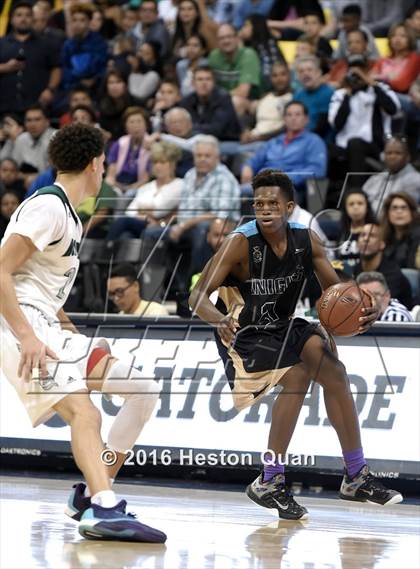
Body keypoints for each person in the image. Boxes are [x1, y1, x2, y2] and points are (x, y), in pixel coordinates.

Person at [189, 168, 401, 520]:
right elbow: (197, 296)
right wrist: (219, 319)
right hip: (242, 330)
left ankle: (356, 476)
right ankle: (270, 479)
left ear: (289, 206)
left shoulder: (307, 239)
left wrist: (362, 308)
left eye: (272, 202)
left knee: (334, 372)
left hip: (284, 325)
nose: (265, 209)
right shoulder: (240, 242)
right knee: (297, 377)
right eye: (258, 203)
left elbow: (336, 293)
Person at [0, 124, 166, 542]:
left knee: (142, 388)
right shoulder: (48, 208)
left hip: (45, 324)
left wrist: (65, 326)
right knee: (85, 413)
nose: (104, 170)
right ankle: (105, 509)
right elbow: (0, 269)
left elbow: (37, 279)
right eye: (105, 164)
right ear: (95, 165)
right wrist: (30, 335)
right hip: (18, 325)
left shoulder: (67, 213)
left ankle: (92, 494)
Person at [328, 55, 400, 189]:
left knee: (355, 144)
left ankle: (356, 192)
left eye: (361, 70)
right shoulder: (340, 94)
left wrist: (371, 82)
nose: (358, 75)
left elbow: (393, 109)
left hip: (374, 145)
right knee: (322, 148)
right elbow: (336, 124)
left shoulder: (380, 88)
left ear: (368, 71)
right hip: (344, 146)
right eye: (354, 72)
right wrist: (348, 94)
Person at [241, 101, 327, 205]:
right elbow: (255, 160)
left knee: (245, 193)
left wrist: (283, 177)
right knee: (234, 192)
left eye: (297, 114)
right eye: (289, 115)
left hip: (289, 188)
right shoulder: (274, 142)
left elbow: (317, 170)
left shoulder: (314, 141)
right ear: (284, 119)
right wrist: (247, 167)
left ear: (306, 119)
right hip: (262, 184)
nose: (293, 118)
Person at [107, 141, 183, 240]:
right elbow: (130, 212)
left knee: (122, 222)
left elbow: (158, 210)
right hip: (143, 223)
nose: (158, 166)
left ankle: (104, 252)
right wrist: (147, 216)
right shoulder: (146, 187)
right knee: (126, 236)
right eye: (155, 162)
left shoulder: (179, 184)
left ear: (172, 165)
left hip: (162, 226)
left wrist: (142, 209)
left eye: (162, 162)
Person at [0, 1, 61, 115]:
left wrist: (50, 90)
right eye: (19, 15)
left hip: (36, 107)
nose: (23, 19)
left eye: (28, 15)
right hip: (5, 107)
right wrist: (5, 67)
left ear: (33, 19)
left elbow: (56, 68)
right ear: (12, 19)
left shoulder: (46, 44)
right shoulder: (1, 43)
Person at [354, 223, 413, 309]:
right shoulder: (355, 269)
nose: (366, 239)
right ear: (357, 244)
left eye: (372, 236)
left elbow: (383, 305)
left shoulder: (393, 273)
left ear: (382, 244)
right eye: (362, 235)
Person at [208, 23, 262, 115]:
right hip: (223, 100)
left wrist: (216, 98)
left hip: (253, 101)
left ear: (237, 38)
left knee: (235, 102)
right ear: (217, 42)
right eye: (222, 38)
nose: (226, 41)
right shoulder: (214, 57)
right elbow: (210, 85)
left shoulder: (248, 55)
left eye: (229, 37)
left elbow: (243, 92)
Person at [179, 65, 241, 141]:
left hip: (224, 140)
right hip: (197, 140)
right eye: (200, 79)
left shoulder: (223, 98)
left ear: (214, 83)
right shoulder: (187, 100)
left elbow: (217, 128)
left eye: (208, 79)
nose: (204, 83)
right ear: (193, 83)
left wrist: (190, 128)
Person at [362, 136, 420, 215]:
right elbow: (360, 202)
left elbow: (404, 213)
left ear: (407, 157)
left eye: (398, 153)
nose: (392, 157)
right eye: (389, 153)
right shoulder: (374, 179)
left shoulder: (416, 180)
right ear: (383, 156)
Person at [60, 3, 108, 95]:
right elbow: (64, 69)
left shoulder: (99, 43)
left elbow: (102, 68)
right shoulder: (67, 45)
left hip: (97, 91)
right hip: (72, 90)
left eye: (82, 20)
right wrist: (79, 81)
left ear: (89, 22)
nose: (77, 24)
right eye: (74, 20)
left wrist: (93, 80)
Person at [106, 106, 150, 192]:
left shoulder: (151, 145)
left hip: (140, 186)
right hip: (118, 183)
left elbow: (145, 179)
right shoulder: (120, 143)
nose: (135, 126)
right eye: (131, 122)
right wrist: (116, 186)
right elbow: (111, 175)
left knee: (130, 194)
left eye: (139, 122)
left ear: (146, 125)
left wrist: (129, 189)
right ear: (126, 126)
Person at [371, 23, 420, 95]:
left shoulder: (414, 59)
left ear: (410, 38)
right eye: (394, 35)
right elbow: (369, 79)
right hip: (381, 94)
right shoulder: (383, 60)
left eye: (403, 36)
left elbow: (402, 85)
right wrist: (388, 77)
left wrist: (380, 78)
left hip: (403, 96)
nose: (397, 39)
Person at [238, 14, 285, 88]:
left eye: (246, 26)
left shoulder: (267, 45)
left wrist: (239, 40)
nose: (242, 29)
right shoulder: (252, 45)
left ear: (256, 27)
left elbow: (267, 75)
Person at [294, 55, 334, 137]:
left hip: (321, 141)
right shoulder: (297, 95)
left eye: (309, 70)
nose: (305, 74)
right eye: (301, 71)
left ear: (319, 73)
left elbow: (323, 127)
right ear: (297, 76)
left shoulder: (328, 93)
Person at [336, 189, 376, 269]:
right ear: (345, 208)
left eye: (360, 203)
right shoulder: (338, 231)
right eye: (351, 204)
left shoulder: (376, 230)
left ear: (367, 206)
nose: (356, 207)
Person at [380, 192, 420, 270]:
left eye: (404, 208)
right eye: (394, 208)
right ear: (388, 213)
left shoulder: (418, 236)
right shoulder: (383, 237)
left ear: (411, 212)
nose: (399, 212)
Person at [12, 104, 57, 174]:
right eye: (29, 120)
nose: (32, 124)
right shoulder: (21, 139)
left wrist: (36, 178)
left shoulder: (56, 137)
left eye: (37, 119)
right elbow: (14, 171)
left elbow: (57, 172)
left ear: (47, 122)